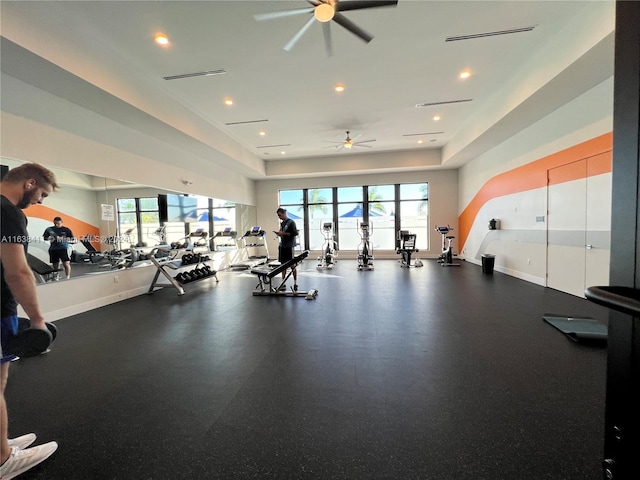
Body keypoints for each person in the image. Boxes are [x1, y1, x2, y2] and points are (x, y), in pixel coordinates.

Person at [1, 163, 59, 480]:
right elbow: (18, 271)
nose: (39, 201)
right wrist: (37, 320)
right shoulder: (8, 211)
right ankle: (3, 461)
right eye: (41, 195)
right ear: (29, 183)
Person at [275, 207, 299, 291]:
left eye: (280, 215)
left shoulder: (291, 222)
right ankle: (283, 283)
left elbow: (295, 233)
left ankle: (295, 283)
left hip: (289, 246)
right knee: (283, 266)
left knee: (292, 265)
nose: (279, 217)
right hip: (283, 246)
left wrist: (283, 233)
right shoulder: (282, 223)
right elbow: (282, 233)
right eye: (278, 216)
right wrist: (279, 233)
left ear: (284, 213)